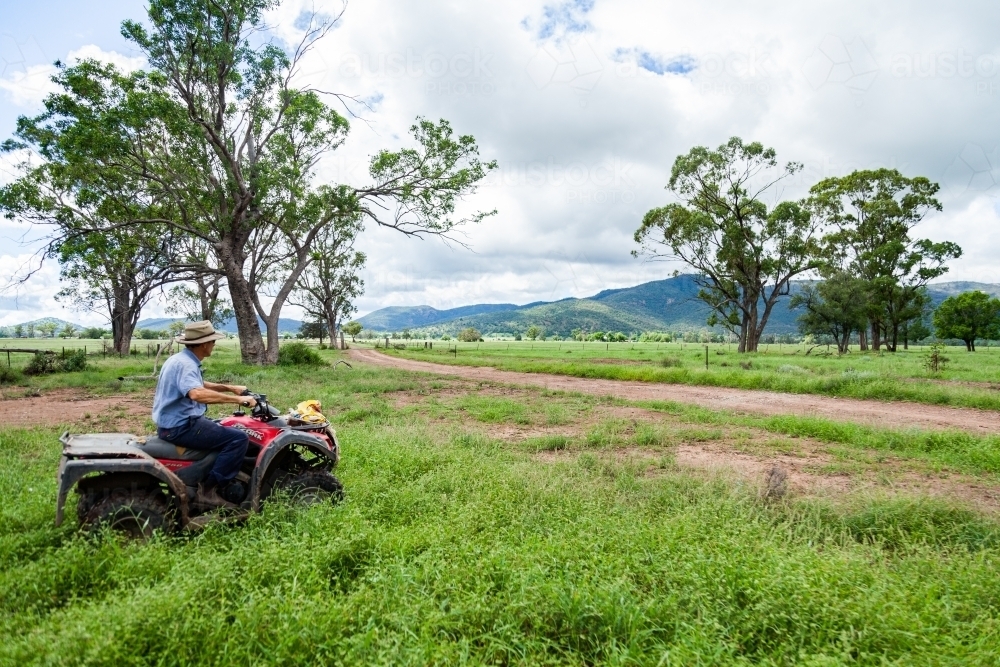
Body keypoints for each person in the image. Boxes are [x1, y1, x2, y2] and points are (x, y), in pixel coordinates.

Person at [152, 320, 257, 509]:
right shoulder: (186, 365)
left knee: (224, 429)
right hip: (182, 426)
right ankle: (209, 491)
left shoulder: (181, 359)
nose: (214, 345)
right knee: (238, 439)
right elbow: (196, 393)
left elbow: (198, 383)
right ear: (204, 344)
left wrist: (231, 388)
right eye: (213, 341)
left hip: (173, 423)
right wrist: (238, 400)